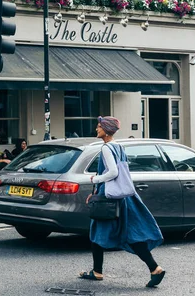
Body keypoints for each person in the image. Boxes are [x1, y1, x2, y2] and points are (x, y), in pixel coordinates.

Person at [79, 116, 165, 288]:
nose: (96, 129)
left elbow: (112, 173)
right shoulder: (119, 147)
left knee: (97, 231)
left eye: (99, 127)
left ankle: (97, 272)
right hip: (124, 196)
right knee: (130, 234)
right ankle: (155, 268)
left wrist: (94, 180)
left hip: (110, 196)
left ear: (106, 129)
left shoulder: (105, 148)